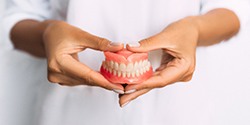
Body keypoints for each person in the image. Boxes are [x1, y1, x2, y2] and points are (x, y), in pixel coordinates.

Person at [1, 0, 250, 125]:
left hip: (179, 114)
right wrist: (47, 34)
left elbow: (231, 11)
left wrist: (195, 29)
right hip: (71, 116)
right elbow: (17, 18)